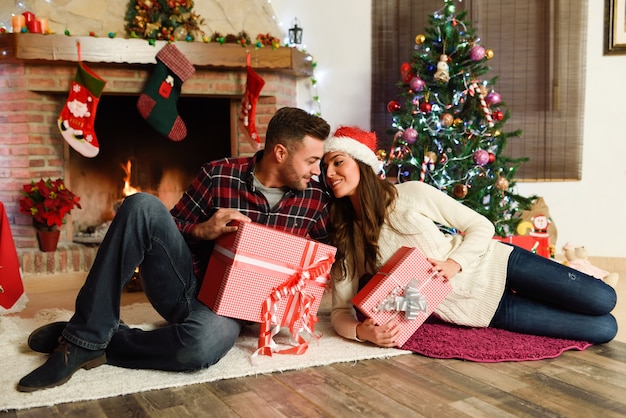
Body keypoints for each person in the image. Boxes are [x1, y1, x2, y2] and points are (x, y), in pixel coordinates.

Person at [17, 107, 332, 392]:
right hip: (189, 287)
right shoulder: (219, 174)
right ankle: (86, 334)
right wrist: (201, 230)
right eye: (311, 160)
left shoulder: (315, 199)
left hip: (232, 314)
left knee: (199, 347)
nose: (317, 170)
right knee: (142, 205)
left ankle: (89, 339)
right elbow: (167, 227)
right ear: (280, 152)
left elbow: (320, 264)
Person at [322, 126, 617, 348]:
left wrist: (455, 262)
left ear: (361, 163)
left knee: (603, 298)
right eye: (324, 168)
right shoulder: (348, 238)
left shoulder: (409, 194)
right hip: (484, 310)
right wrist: (362, 332)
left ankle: (577, 271)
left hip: (498, 265)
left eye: (338, 162)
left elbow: (481, 225)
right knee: (605, 329)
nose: (329, 173)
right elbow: (339, 310)